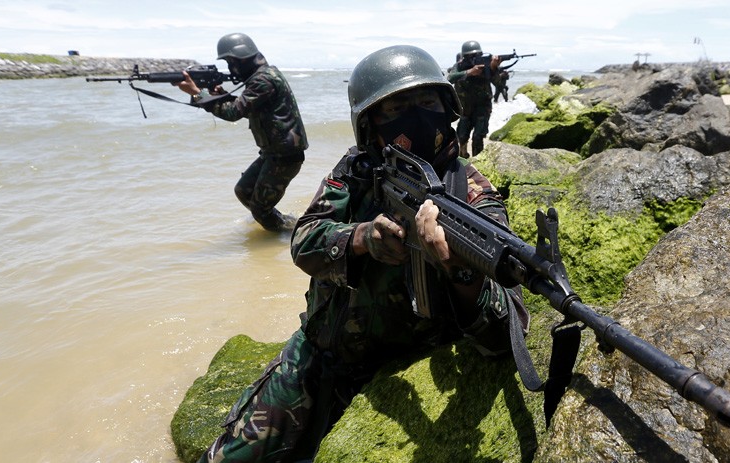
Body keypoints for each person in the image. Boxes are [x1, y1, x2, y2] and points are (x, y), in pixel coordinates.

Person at [195, 45, 528, 463]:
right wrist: (362, 237)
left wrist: (461, 272)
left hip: (395, 368)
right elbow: (304, 240)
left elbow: (506, 333)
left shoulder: (473, 196)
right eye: (397, 108)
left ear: (447, 109)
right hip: (318, 354)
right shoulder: (357, 170)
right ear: (369, 124)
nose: (417, 117)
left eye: (428, 103)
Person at [175, 33, 308, 231]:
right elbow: (248, 106)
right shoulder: (262, 76)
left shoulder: (263, 79)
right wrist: (221, 96)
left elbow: (234, 112)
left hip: (285, 156)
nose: (231, 68)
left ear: (242, 59)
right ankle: (287, 225)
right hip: (274, 153)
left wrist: (197, 93)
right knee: (243, 191)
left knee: (260, 210)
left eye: (231, 62)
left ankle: (288, 236)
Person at [446, 40, 503, 158]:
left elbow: (498, 84)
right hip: (465, 109)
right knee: (462, 136)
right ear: (464, 56)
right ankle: (463, 158)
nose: (474, 58)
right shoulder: (460, 66)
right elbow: (450, 78)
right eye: (471, 56)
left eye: (477, 55)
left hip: (482, 108)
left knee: (478, 137)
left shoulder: (486, 67)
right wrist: (469, 72)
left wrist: (494, 68)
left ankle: (478, 161)